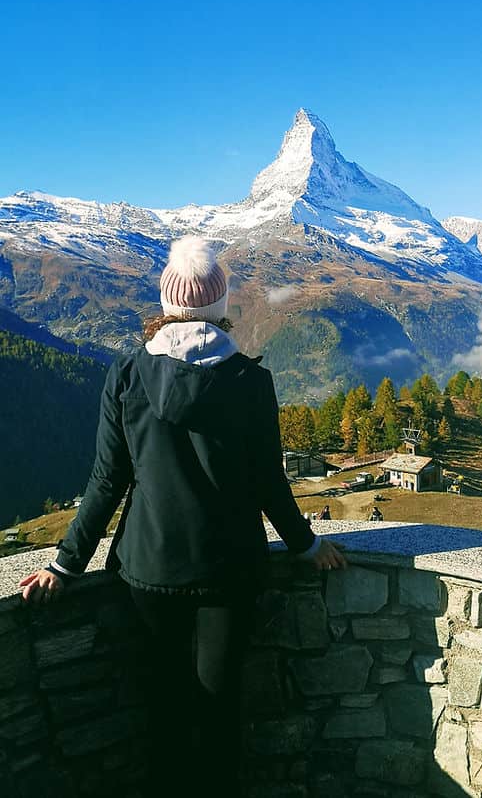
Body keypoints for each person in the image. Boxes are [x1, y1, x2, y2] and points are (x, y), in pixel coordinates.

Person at [19, 235, 346, 797]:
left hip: (149, 568)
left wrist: (67, 565)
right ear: (221, 307)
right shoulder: (249, 380)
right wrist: (307, 546)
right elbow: (270, 482)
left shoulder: (126, 374)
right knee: (219, 712)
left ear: (167, 302)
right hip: (230, 569)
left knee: (163, 708)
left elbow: (107, 480)